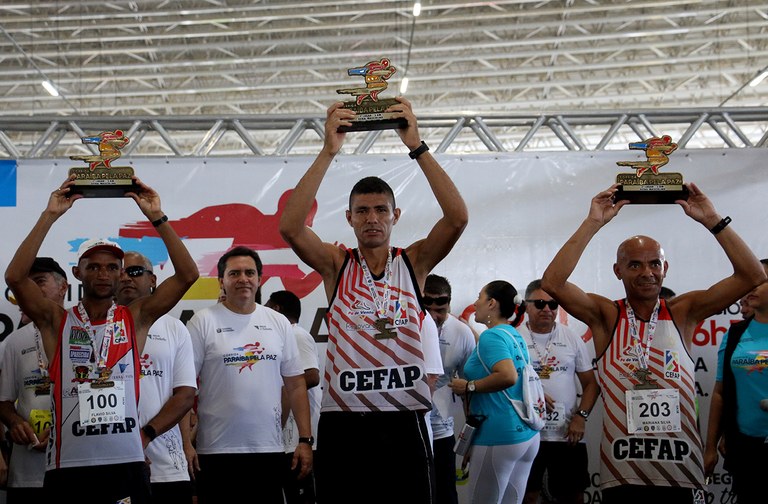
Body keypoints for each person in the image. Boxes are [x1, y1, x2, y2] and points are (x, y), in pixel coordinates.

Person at [279, 97, 468, 503]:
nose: (371, 219)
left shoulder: (413, 262)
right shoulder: (337, 264)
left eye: (381, 210)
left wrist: (415, 146)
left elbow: (457, 218)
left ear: (395, 216)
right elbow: (291, 227)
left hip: (403, 418)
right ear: (349, 218)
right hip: (344, 420)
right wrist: (329, 150)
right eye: (361, 211)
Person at [540, 183, 766, 504]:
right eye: (635, 264)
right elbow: (552, 283)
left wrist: (712, 219)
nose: (646, 272)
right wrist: (593, 222)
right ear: (618, 270)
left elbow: (752, 275)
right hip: (624, 471)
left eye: (654, 264)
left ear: (665, 269)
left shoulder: (683, 312)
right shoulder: (606, 315)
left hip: (680, 471)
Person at [3, 175, 199, 502]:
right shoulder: (55, 321)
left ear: (121, 273)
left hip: (127, 461)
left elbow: (188, 275)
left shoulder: (136, 317)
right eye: (93, 267)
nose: (103, 274)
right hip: (68, 466)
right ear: (77, 273)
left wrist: (157, 216)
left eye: (111, 267)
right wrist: (49, 215)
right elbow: (15, 277)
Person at [186, 246, 312, 503]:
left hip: (268, 449)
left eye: (249, 272)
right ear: (221, 281)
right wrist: (186, 443)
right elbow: (184, 389)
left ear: (259, 279)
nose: (243, 279)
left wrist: (304, 439)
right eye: (234, 273)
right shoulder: (202, 322)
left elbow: (296, 385)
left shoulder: (278, 322)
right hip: (215, 450)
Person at [448, 280, 540, 504]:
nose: (475, 303)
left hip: (498, 435)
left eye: (479, 297)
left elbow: (508, 376)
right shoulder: (512, 333)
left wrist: (468, 386)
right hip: (525, 436)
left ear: (491, 303)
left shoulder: (493, 336)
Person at [116, 251, 197, 503]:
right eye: (122, 272)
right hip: (113, 461)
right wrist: (125, 443)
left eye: (136, 271)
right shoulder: (99, 325)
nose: (127, 277)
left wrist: (147, 436)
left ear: (153, 280)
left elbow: (184, 395)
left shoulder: (175, 327)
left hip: (166, 466)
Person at [518, 279, 599, 504]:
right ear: (526, 305)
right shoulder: (514, 338)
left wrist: (580, 418)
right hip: (526, 432)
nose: (547, 309)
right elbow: (505, 382)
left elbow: (591, 384)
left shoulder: (571, 337)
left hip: (566, 434)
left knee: (572, 495)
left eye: (553, 305)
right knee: (527, 495)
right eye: (540, 303)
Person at [0, 257, 69, 501]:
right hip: (26, 471)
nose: (30, 289)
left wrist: (63, 430)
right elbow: (3, 402)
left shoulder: (84, 331)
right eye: (26, 283)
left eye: (39, 281)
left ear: (64, 287)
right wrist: (16, 423)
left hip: (74, 468)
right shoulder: (13, 341)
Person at [704, 258, 768, 504]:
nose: (750, 287)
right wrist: (711, 446)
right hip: (745, 447)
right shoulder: (735, 333)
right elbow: (720, 392)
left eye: (759, 281)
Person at [423, 274, 476, 504]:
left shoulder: (462, 333)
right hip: (407, 430)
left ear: (450, 306)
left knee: (446, 494)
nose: (435, 316)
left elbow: (470, 391)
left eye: (441, 310)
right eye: (428, 309)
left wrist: (470, 441)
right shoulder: (401, 329)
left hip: (441, 430)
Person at [264, 289, 321, 504]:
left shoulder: (295, 334)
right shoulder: (282, 338)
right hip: (285, 440)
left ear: (276, 309)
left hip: (299, 439)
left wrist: (276, 392)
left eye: (267, 307)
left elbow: (312, 376)